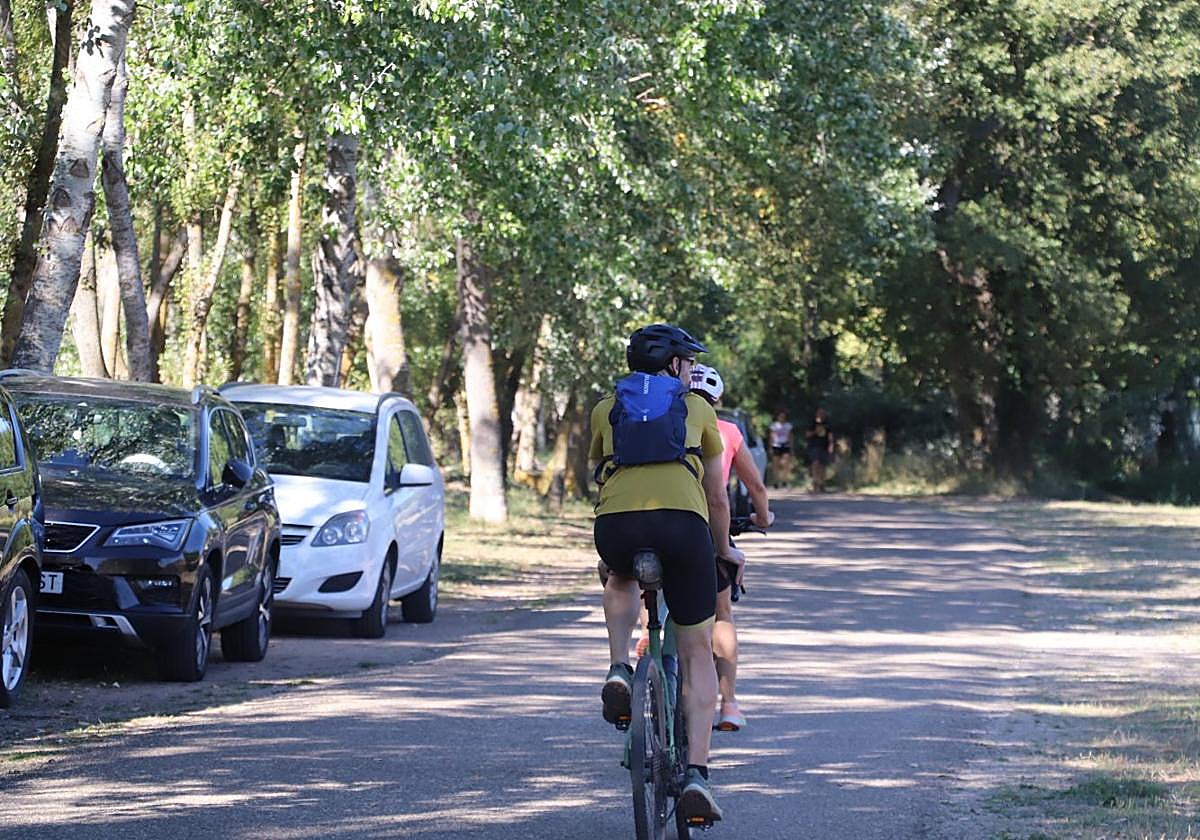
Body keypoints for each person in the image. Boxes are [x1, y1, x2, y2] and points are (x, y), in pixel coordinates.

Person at [590, 323, 742, 823]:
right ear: (674, 366)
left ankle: (618, 666)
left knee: (618, 576)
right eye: (688, 362)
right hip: (682, 527)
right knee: (697, 650)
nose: (692, 369)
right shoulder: (699, 409)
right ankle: (697, 774)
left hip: (616, 527)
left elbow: (599, 475)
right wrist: (725, 551)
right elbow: (718, 497)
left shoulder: (603, 408)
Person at [689, 364, 773, 732]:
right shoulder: (727, 430)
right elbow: (754, 486)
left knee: (652, 587)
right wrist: (762, 517)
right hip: (708, 529)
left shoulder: (667, 422)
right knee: (722, 612)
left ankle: (647, 634)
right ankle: (729, 703)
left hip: (656, 518)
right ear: (716, 399)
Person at [806, 407, 835, 492]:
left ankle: (822, 483)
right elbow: (807, 434)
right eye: (820, 413)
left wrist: (831, 445)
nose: (821, 415)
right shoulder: (812, 423)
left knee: (823, 465)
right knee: (815, 464)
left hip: (824, 446)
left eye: (823, 413)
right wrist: (815, 431)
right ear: (817, 414)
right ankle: (815, 482)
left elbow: (830, 436)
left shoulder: (827, 424)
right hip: (814, 446)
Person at [768, 410, 793, 488]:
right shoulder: (774, 425)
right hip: (776, 445)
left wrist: (791, 447)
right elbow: (771, 436)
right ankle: (776, 481)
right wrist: (770, 447)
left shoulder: (788, 426)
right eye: (780, 416)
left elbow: (790, 437)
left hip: (785, 445)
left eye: (783, 417)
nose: (782, 418)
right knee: (776, 464)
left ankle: (784, 480)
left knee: (785, 463)